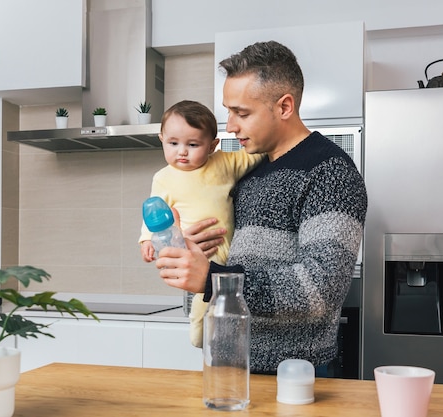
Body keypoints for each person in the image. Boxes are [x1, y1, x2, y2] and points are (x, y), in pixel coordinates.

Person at [152, 41, 368, 374]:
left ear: (284, 107)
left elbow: (319, 290)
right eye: (228, 110)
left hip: (292, 373)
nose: (229, 126)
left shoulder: (329, 171)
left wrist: (213, 279)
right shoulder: (248, 172)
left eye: (242, 113)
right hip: (227, 365)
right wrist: (194, 256)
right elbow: (220, 279)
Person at [139, 100, 264, 347]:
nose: (182, 151)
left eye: (193, 144)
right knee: (205, 298)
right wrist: (145, 239)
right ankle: (199, 335)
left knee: (231, 299)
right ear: (161, 138)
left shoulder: (224, 163)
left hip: (234, 251)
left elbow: (257, 154)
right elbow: (154, 211)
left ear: (212, 146)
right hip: (200, 253)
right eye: (173, 143)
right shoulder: (163, 178)